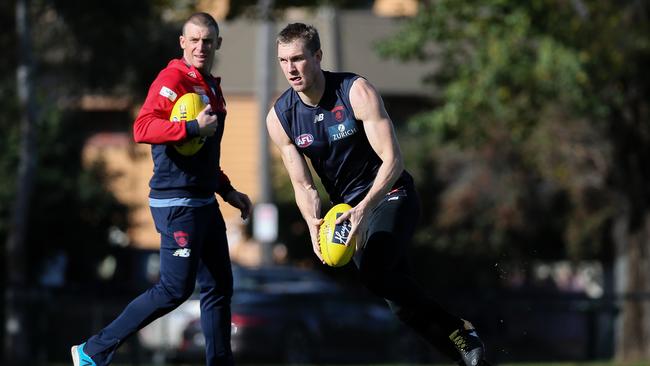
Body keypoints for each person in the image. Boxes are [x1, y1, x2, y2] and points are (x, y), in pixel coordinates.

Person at [266, 23, 490, 366]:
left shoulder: (355, 91)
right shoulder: (281, 118)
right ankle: (470, 361)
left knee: (375, 273)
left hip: (390, 193)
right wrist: (313, 223)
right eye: (283, 60)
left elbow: (394, 160)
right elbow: (304, 185)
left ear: (318, 56)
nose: (290, 69)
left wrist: (364, 208)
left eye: (298, 59)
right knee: (398, 302)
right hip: (347, 211)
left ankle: (459, 329)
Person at [71, 12, 251, 366]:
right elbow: (142, 127)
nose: (201, 46)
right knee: (174, 289)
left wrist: (227, 190)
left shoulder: (210, 86)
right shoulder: (172, 79)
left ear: (218, 44)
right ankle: (92, 351)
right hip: (176, 202)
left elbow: (204, 157)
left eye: (208, 41)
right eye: (194, 40)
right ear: (182, 43)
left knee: (218, 288)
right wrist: (190, 128)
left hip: (204, 201)